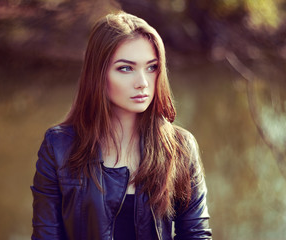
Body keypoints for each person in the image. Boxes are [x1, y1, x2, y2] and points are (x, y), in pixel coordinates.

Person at [31, 11, 212, 240]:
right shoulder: (58, 147)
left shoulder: (181, 147)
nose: (143, 83)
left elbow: (196, 235)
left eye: (152, 67)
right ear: (98, 74)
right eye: (126, 68)